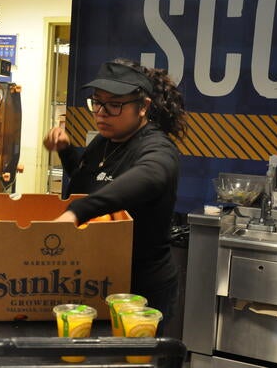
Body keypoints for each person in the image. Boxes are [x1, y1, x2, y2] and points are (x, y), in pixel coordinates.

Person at [43, 58, 187, 335]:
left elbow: (149, 176)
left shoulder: (157, 147)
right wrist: (66, 151)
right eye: (96, 102)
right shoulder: (104, 142)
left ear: (143, 107)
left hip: (141, 289)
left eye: (114, 104)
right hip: (99, 278)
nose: (101, 113)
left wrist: (78, 211)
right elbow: (90, 180)